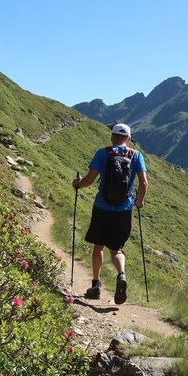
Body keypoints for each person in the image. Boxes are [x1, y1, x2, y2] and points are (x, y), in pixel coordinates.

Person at [72, 123, 148, 304]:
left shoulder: (103, 153)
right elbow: (144, 183)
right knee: (116, 249)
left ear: (112, 137)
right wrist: (139, 201)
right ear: (128, 139)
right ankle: (121, 274)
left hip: (102, 207)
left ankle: (96, 286)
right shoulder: (136, 155)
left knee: (98, 247)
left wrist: (77, 184)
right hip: (124, 209)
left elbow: (89, 180)